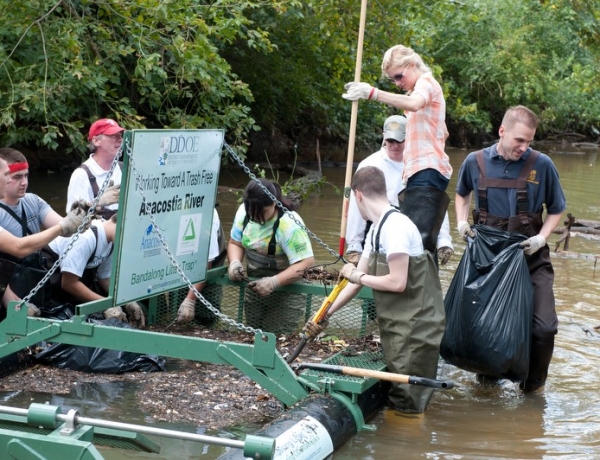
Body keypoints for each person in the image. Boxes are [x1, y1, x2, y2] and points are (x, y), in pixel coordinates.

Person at [307, 166, 445, 413]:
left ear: (358, 195)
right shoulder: (377, 228)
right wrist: (324, 313)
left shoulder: (395, 228)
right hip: (398, 324)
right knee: (400, 398)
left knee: (408, 404)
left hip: (417, 327)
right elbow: (354, 281)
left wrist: (359, 276)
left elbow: (397, 282)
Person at [454, 105, 566, 393]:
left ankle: (533, 388)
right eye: (519, 140)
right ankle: (488, 379)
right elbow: (461, 193)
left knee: (544, 328)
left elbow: (557, 209)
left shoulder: (542, 165)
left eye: (529, 141)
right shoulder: (474, 161)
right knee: (483, 327)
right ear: (502, 131)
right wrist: (461, 223)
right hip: (487, 261)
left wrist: (542, 237)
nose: (524, 147)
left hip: (530, 258)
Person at [342, 45, 452, 256]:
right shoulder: (421, 89)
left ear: (412, 65)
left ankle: (407, 284)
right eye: (393, 80)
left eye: (399, 76)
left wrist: (372, 93)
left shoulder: (426, 83)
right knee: (416, 239)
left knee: (418, 242)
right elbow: (443, 131)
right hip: (421, 170)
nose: (398, 83)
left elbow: (414, 103)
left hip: (426, 169)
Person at [345, 115, 454, 266]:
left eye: (400, 140)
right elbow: (357, 206)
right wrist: (354, 246)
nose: (395, 146)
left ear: (410, 137)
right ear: (383, 137)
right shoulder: (369, 165)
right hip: (380, 226)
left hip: (415, 226)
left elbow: (434, 202)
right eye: (390, 141)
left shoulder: (423, 164)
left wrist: (443, 240)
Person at [0, 156, 88, 317]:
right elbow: (19, 247)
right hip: (10, 281)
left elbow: (70, 229)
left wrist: (91, 208)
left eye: (26, 175)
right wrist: (11, 302)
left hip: (31, 279)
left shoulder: (33, 200)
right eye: (16, 177)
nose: (24, 182)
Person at [227, 178, 314, 334]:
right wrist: (234, 263)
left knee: (276, 337)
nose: (256, 216)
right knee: (252, 334)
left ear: (274, 203)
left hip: (288, 289)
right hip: (255, 283)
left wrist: (274, 282)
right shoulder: (243, 213)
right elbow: (235, 243)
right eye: (251, 211)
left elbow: (306, 262)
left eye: (262, 212)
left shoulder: (289, 225)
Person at [46, 214, 145, 328]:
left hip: (73, 284)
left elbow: (104, 278)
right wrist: (105, 305)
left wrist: (124, 301)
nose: (128, 241)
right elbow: (68, 283)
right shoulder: (87, 238)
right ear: (120, 226)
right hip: (51, 285)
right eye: (129, 235)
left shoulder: (112, 241)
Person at [177, 207, 227, 324]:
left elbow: (206, 265)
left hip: (207, 281)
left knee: (206, 324)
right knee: (177, 324)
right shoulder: (176, 207)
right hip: (181, 277)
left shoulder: (208, 212)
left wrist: (190, 300)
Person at [66, 118, 124, 218]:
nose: (120, 139)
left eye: (120, 135)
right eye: (113, 135)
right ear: (96, 141)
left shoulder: (125, 168)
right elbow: (74, 219)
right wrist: (100, 202)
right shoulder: (81, 175)